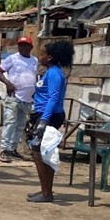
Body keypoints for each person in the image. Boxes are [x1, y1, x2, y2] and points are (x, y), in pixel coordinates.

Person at [27, 39, 73, 203]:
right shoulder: (51, 71)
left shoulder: (54, 74)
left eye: (42, 54)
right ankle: (45, 189)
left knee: (39, 152)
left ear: (51, 57)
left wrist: (43, 121)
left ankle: (46, 193)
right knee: (42, 151)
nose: (39, 57)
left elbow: (53, 98)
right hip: (44, 114)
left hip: (49, 116)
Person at [0, 36, 39, 162]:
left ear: (31, 47)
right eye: (21, 45)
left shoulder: (34, 60)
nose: (23, 47)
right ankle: (4, 149)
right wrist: (7, 83)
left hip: (27, 98)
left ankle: (12, 148)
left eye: (26, 45)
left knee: (20, 125)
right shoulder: (12, 58)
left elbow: (34, 76)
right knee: (10, 122)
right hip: (14, 96)